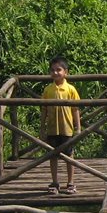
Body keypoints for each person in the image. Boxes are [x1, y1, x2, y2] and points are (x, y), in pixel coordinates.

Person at [41, 56, 81, 195]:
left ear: (66, 72)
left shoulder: (70, 89)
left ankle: (70, 182)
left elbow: (76, 109)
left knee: (69, 155)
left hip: (67, 128)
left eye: (59, 70)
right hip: (52, 128)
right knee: (52, 155)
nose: (56, 73)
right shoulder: (48, 90)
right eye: (52, 70)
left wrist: (78, 127)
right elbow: (44, 110)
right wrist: (42, 128)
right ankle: (55, 182)